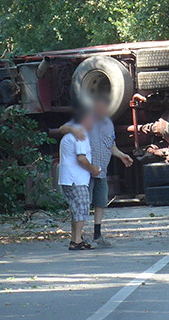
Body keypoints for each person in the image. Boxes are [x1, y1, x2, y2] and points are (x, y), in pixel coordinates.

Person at [53, 96, 133, 247]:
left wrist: (121, 155)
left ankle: (96, 235)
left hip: (100, 169)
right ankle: (78, 238)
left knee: (100, 202)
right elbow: (63, 130)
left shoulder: (108, 124)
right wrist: (72, 128)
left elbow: (111, 144)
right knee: (82, 205)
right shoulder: (81, 124)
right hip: (86, 171)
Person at [58, 109, 101, 250]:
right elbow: (81, 158)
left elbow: (61, 128)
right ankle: (76, 240)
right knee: (82, 209)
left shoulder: (71, 132)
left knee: (76, 210)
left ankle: (76, 239)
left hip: (68, 178)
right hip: (76, 179)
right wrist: (93, 169)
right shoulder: (81, 135)